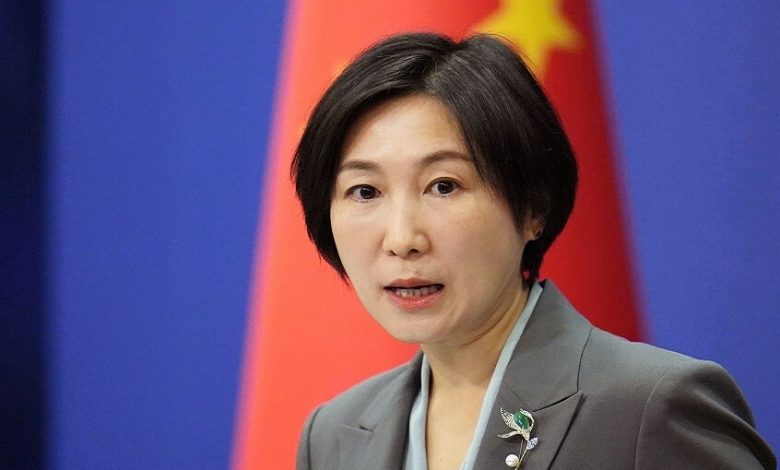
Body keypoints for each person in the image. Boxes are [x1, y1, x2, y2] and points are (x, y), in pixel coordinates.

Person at [291, 33, 775, 469]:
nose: (401, 239)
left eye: (444, 185)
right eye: (365, 191)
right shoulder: (333, 436)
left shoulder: (651, 407)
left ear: (533, 209)